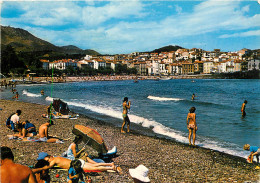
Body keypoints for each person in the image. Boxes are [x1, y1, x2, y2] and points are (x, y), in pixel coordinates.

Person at [33, 152, 122, 174]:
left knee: (96, 168)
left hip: (77, 165)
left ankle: (111, 168)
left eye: (45, 159)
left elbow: (47, 167)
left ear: (47, 157)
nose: (46, 161)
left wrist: (39, 169)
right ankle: (110, 164)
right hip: (78, 161)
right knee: (95, 164)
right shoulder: (56, 157)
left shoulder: (53, 161)